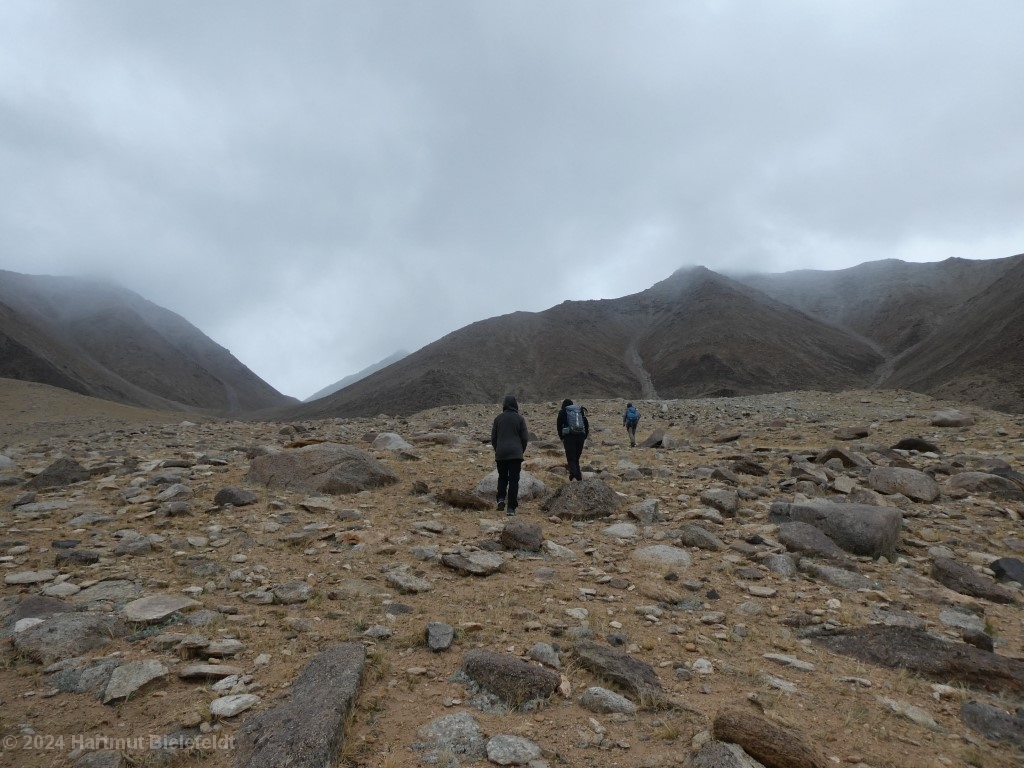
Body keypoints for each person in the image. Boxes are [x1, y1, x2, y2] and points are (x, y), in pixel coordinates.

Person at [491, 394, 529, 515]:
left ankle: (501, 498)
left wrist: (498, 449)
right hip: (515, 454)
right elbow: (525, 438)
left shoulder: (498, 419)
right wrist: (520, 451)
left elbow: (493, 438)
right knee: (513, 480)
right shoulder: (520, 419)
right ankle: (511, 508)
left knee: (502, 477)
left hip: (501, 453)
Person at [556, 398, 589, 481]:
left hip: (569, 437)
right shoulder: (579, 411)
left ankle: (573, 476)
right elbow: (586, 423)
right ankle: (579, 477)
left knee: (571, 458)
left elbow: (559, 425)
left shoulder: (563, 412)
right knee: (576, 458)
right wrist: (584, 436)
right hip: (580, 436)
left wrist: (562, 437)